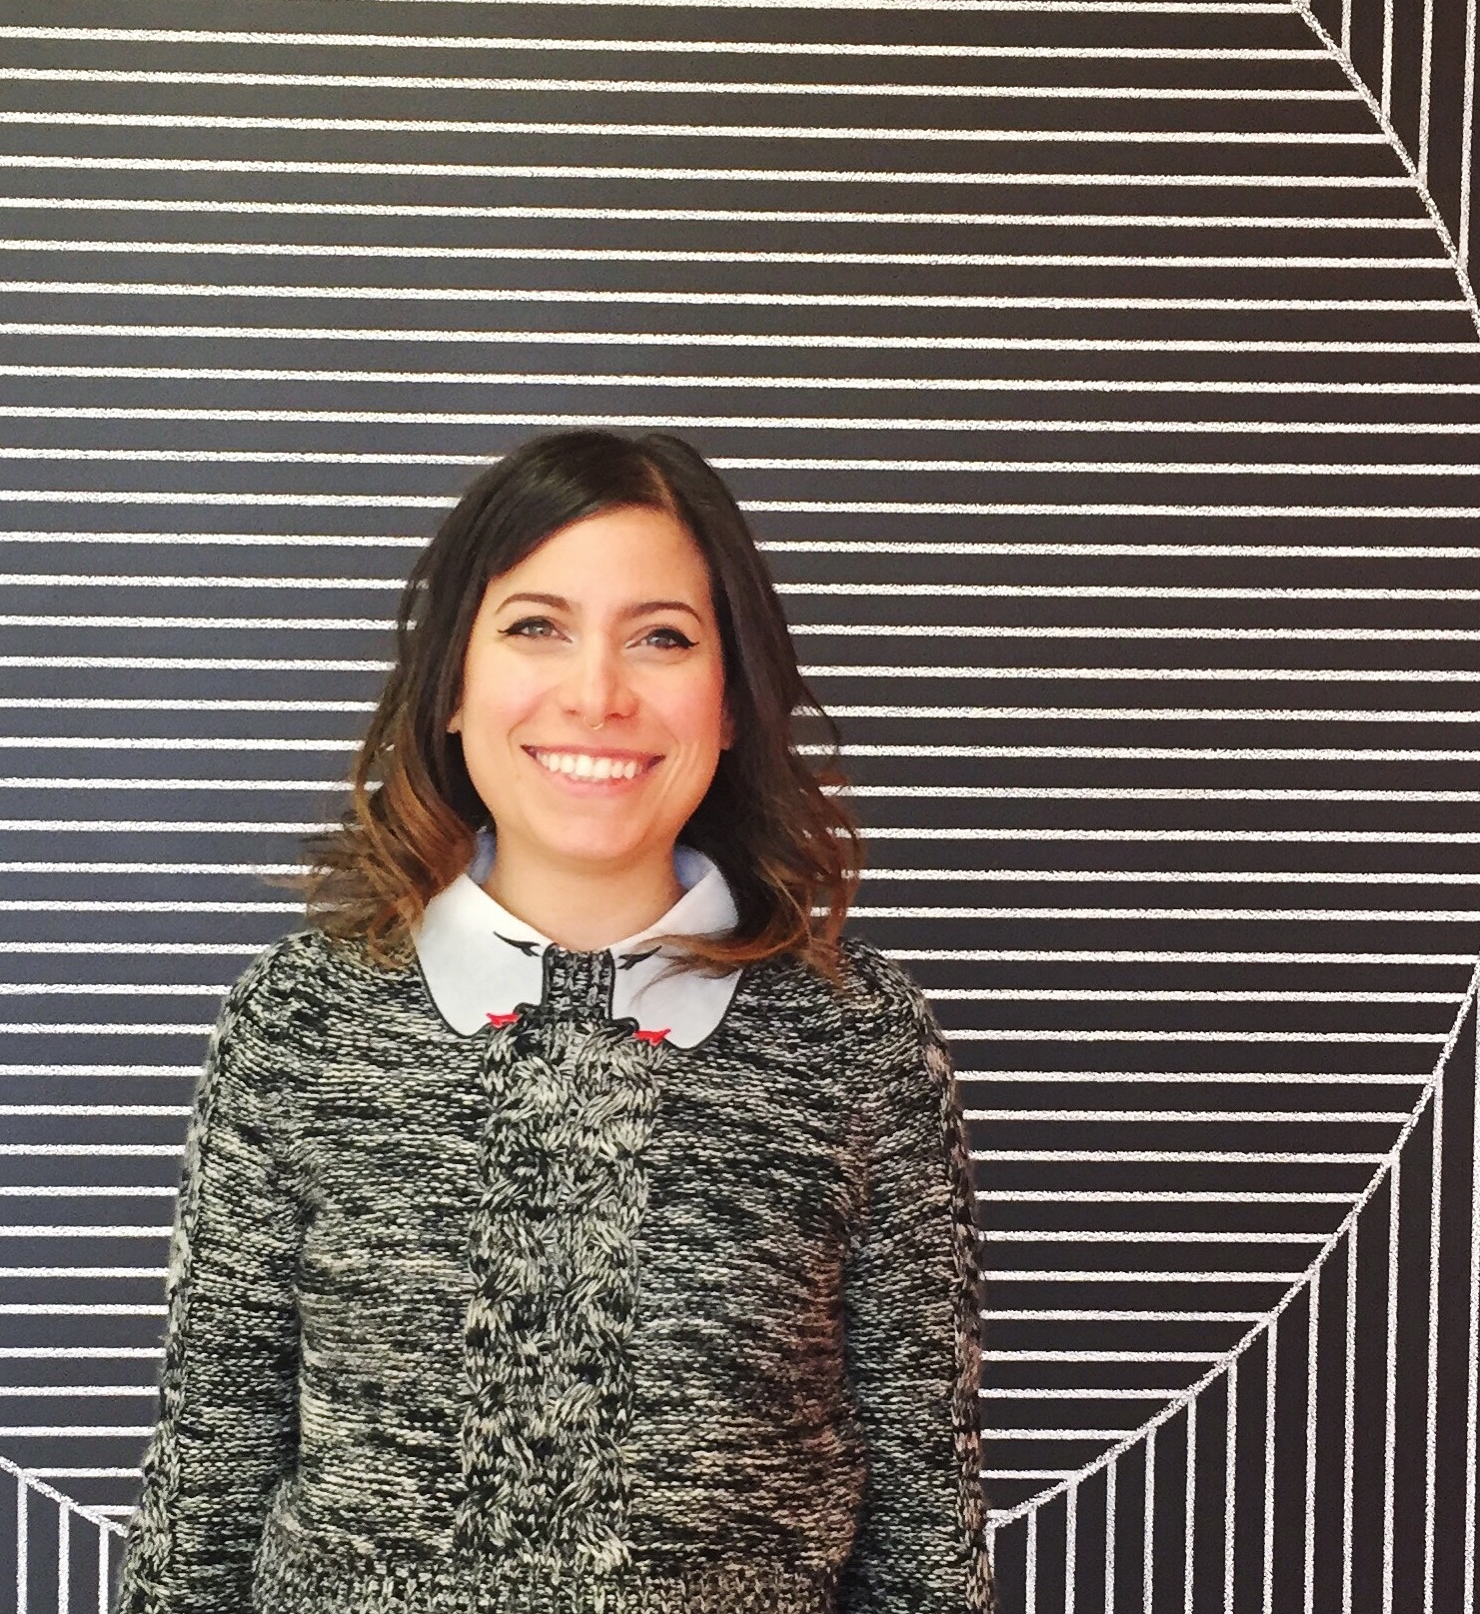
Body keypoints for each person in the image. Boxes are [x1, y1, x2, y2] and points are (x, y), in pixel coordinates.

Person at [114, 428, 992, 1614]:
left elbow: (926, 1517)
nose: (597, 693)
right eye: (537, 625)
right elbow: (206, 1480)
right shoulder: (302, 1016)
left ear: (731, 699)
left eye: (663, 637)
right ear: (454, 688)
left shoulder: (855, 1035)